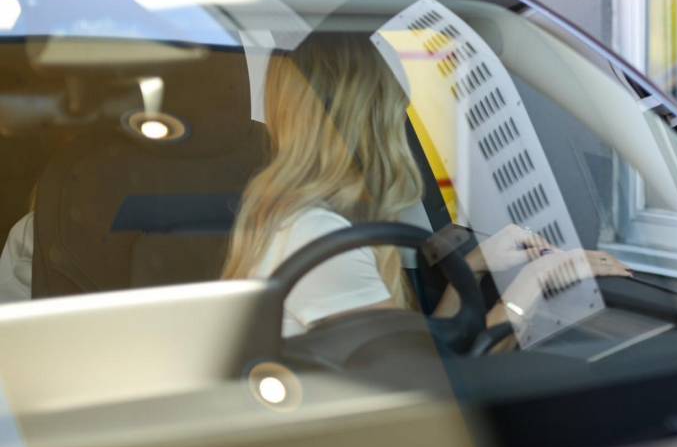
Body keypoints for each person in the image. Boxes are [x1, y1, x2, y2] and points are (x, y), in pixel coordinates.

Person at [222, 32, 627, 338]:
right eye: (397, 112)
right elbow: (433, 387)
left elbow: (415, 355)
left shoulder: (300, 221)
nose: (401, 130)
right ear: (370, 122)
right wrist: (533, 285)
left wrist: (469, 270)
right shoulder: (317, 239)